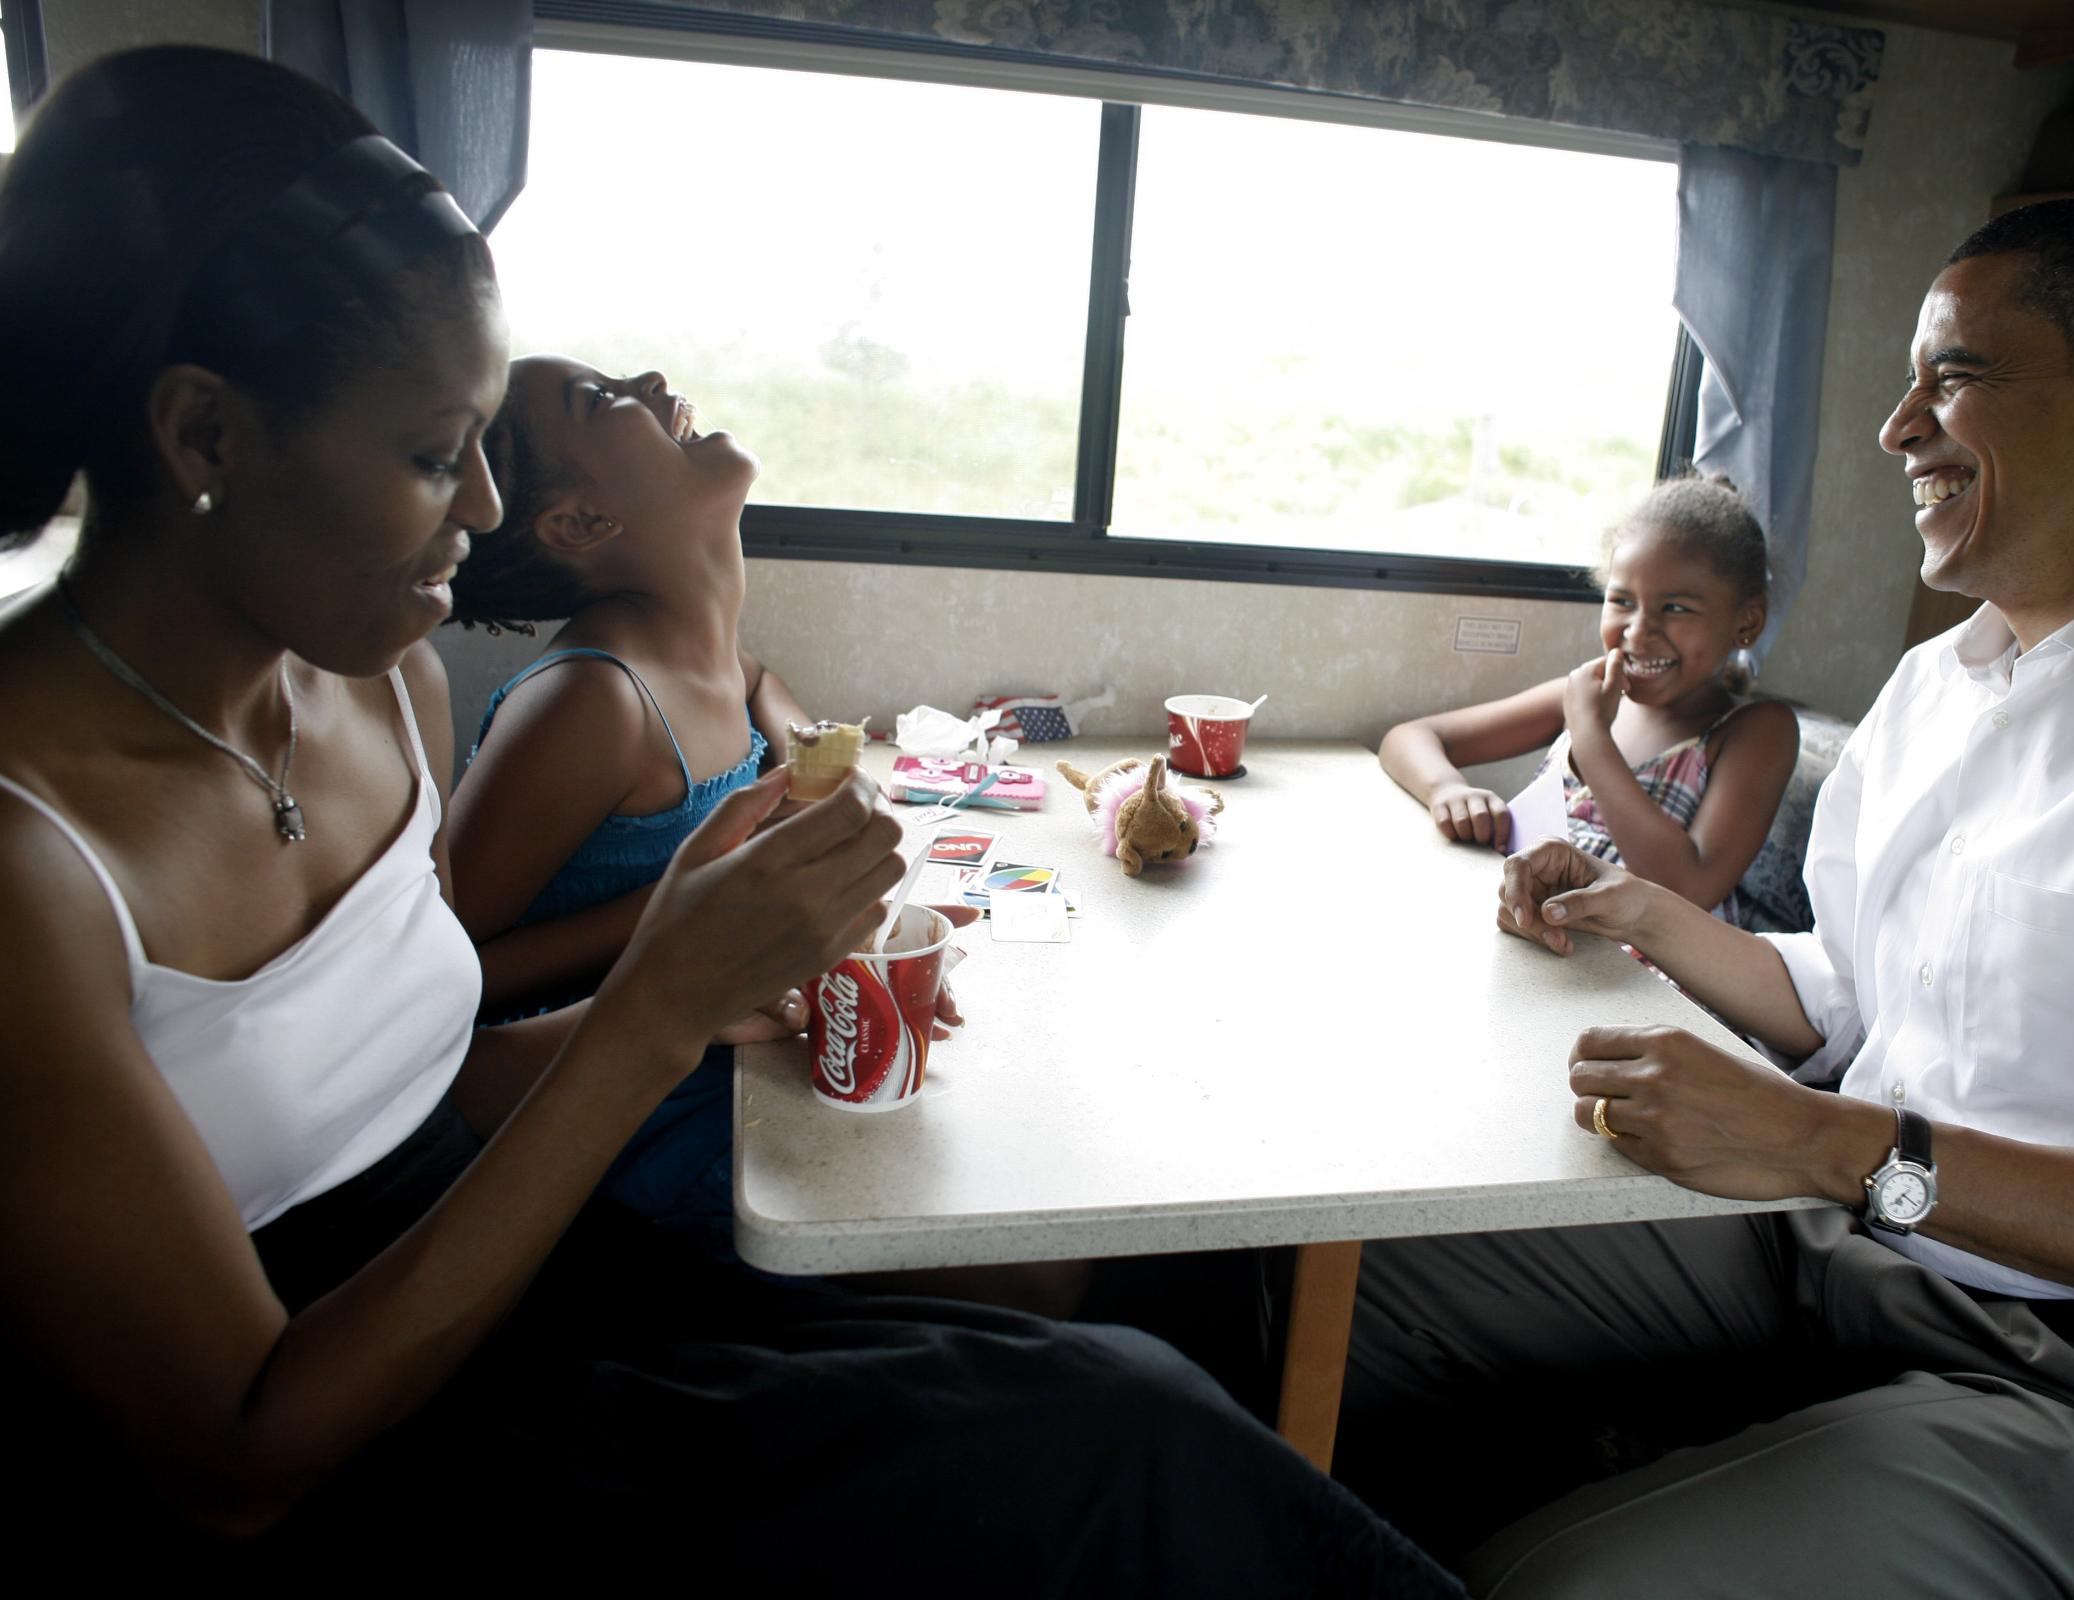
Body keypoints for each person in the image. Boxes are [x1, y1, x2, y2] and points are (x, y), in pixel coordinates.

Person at [0, 47, 1459, 1593]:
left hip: (512, 1279)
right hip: (359, 1445)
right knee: (1117, 1443)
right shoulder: (34, 861)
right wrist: (651, 1009)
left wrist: (709, 1001)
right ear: (205, 436)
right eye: (436, 456)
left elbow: (408, 1090)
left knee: (1142, 1343)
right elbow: (238, 1458)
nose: (486, 515)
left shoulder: (376, 694)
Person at [1336, 194, 2074, 1597]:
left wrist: (1840, 1147)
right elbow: (1847, 992)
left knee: (1568, 1586)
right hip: (1829, 1251)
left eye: (1953, 375)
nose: (1899, 427)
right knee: (1320, 1286)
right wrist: (1640, 912)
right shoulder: (1938, 686)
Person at [440, 355, 967, 1250]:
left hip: (722, 1045)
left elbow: (756, 679)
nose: (646, 379)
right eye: (601, 399)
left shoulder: (702, 652)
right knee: (1020, 1267)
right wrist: (696, 912)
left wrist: (817, 772)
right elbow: (441, 977)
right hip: (611, 1107)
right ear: (580, 522)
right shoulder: (592, 704)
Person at [1377, 474, 1797, 923]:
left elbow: (1685, 888)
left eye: (1676, 608)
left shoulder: (1756, 730)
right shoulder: (1582, 696)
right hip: (1540, 929)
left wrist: (1591, 735)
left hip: (1644, 972)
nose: (1638, 631)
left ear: (1747, 622)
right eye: (1621, 601)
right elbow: (1410, 737)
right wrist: (1448, 789)